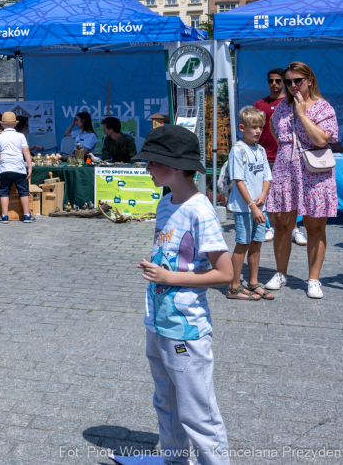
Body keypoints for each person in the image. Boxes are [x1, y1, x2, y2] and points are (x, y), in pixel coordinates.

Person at [134, 125, 232, 465]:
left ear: (174, 166)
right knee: (165, 402)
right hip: (158, 321)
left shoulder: (200, 210)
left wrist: (167, 275)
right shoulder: (165, 203)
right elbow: (174, 254)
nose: (147, 169)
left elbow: (225, 273)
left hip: (186, 329)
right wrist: (156, 269)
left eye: (151, 162)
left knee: (197, 414)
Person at [264, 62, 338, 299]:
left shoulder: (323, 107)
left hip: (314, 173)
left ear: (310, 81)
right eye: (288, 81)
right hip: (286, 169)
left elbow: (321, 140)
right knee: (282, 224)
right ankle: (280, 273)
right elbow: (277, 133)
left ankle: (314, 279)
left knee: (315, 227)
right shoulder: (282, 108)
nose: (292, 85)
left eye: (298, 80)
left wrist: (303, 115)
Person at [226, 107, 274, 301]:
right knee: (243, 244)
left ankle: (253, 282)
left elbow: (267, 176)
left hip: (259, 206)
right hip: (245, 208)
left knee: (256, 244)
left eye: (260, 127)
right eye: (253, 127)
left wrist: (263, 194)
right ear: (242, 127)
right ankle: (233, 286)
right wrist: (252, 206)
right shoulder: (237, 150)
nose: (258, 131)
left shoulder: (260, 150)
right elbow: (238, 180)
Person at [253, 67, 305, 245]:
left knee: (293, 193)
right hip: (265, 155)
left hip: (290, 156)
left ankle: (295, 229)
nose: (274, 84)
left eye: (278, 80)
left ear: (284, 82)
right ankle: (272, 227)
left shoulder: (293, 102)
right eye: (270, 81)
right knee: (270, 194)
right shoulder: (259, 104)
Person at [0, 111, 33, 223]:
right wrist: (30, 167)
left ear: (2, 124)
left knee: (4, 193)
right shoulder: (21, 136)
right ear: (15, 124)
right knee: (24, 192)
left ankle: (4, 216)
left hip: (4, 169)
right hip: (19, 168)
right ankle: (26, 215)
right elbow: (26, 151)